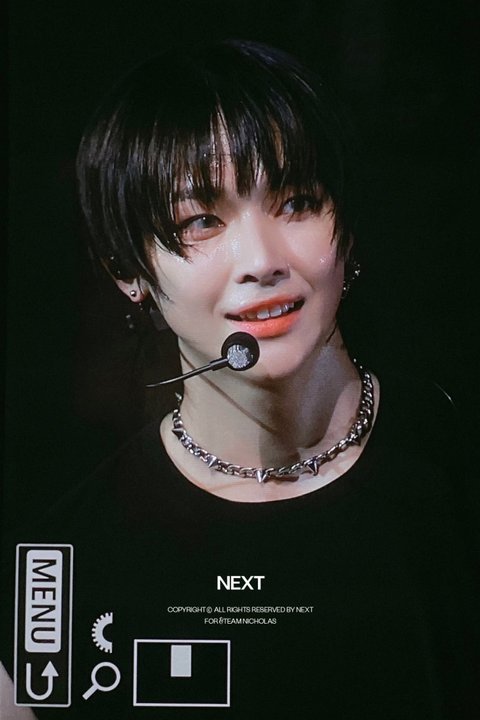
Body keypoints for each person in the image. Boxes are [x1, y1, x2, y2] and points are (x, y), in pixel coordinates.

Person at [2, 39, 478, 719]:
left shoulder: (454, 482)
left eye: (297, 201)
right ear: (127, 270)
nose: (260, 259)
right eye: (201, 220)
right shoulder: (57, 563)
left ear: (346, 227)